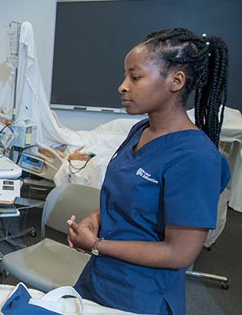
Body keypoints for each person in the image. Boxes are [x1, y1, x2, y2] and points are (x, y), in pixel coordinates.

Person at [67, 27, 230, 315]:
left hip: (141, 297)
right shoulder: (140, 130)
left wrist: (98, 244)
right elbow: (126, 200)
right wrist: (95, 220)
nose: (122, 86)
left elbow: (179, 253)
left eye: (135, 76)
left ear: (176, 81)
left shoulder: (195, 157)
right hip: (98, 279)